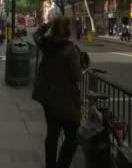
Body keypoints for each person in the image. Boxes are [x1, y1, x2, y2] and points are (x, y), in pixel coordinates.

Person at [32, 17, 81, 168]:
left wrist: (47, 25)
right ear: (67, 30)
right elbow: (76, 76)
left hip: (48, 98)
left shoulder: (46, 44)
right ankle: (62, 165)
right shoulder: (70, 49)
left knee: (52, 135)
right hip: (66, 99)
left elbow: (36, 35)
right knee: (72, 138)